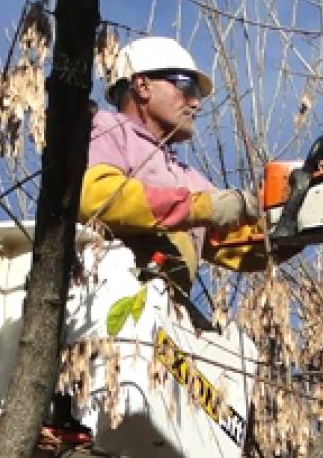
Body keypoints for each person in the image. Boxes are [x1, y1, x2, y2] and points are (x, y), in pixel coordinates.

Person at [81, 36, 280, 287]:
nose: (195, 103)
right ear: (143, 85)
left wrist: (296, 221)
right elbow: (95, 198)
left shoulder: (185, 176)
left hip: (162, 308)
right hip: (107, 293)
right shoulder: (107, 128)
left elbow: (242, 247)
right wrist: (201, 208)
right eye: (187, 88)